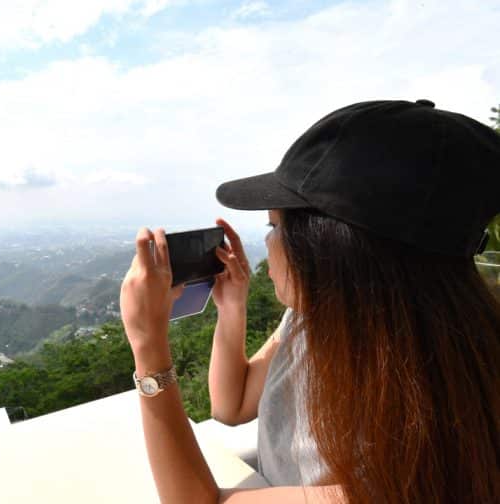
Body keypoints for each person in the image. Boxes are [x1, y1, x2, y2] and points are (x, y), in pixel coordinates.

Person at [120, 99, 500, 503]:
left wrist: (148, 346)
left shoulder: (415, 449)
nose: (268, 246)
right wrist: (233, 309)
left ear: (331, 252)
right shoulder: (312, 319)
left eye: (275, 227)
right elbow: (230, 407)